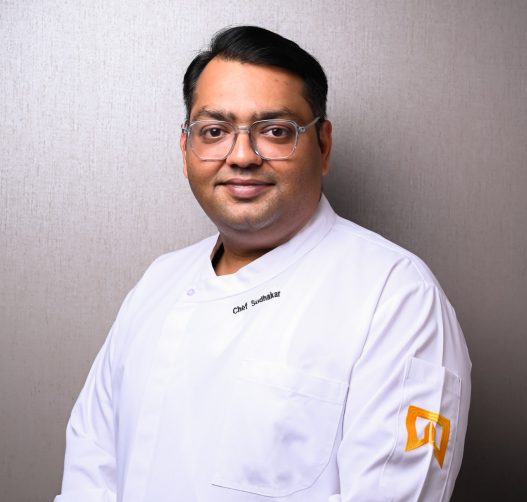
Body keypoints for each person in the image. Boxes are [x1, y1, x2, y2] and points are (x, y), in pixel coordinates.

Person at [55, 26, 471, 502]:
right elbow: (89, 474)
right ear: (185, 148)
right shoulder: (158, 283)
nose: (242, 157)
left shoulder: (396, 296)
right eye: (214, 132)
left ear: (323, 146)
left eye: (275, 131)